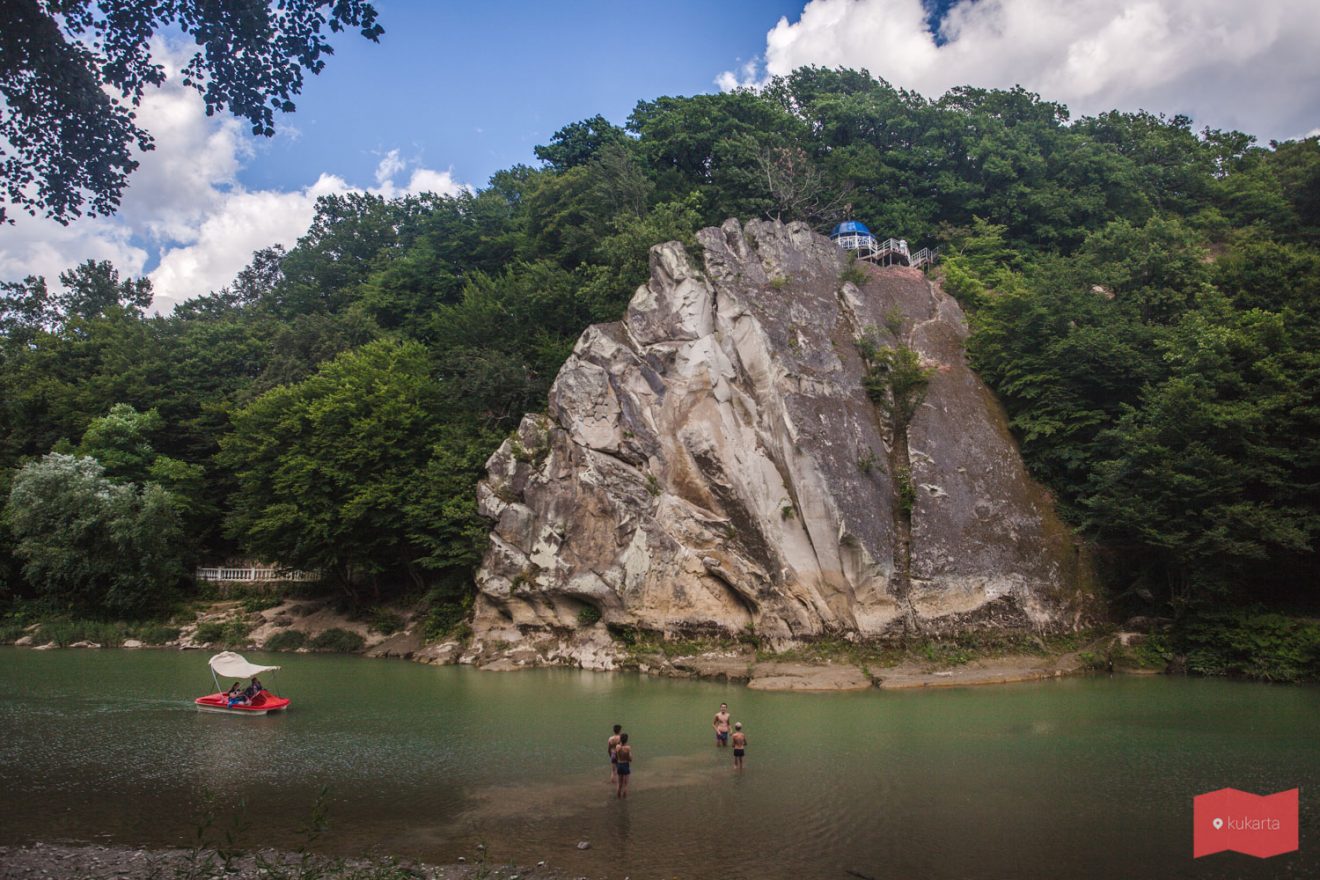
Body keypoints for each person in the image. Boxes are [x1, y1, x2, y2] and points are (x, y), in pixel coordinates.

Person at [614, 733, 632, 799]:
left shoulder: (617, 747)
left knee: (619, 784)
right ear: (627, 740)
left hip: (619, 765)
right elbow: (630, 759)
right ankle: (624, 800)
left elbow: (615, 756)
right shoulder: (628, 748)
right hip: (625, 765)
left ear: (620, 739)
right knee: (625, 785)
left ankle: (618, 798)